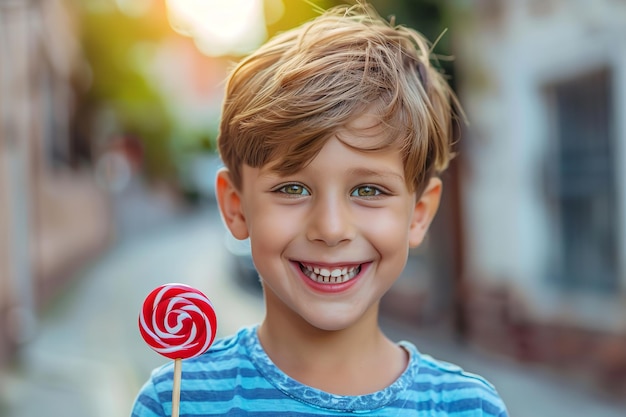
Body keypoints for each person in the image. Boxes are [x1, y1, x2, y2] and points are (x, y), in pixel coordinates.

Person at [131, 2, 508, 416]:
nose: (330, 228)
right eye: (292, 187)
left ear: (418, 213)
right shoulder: (177, 401)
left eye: (367, 190)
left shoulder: (467, 408)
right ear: (235, 208)